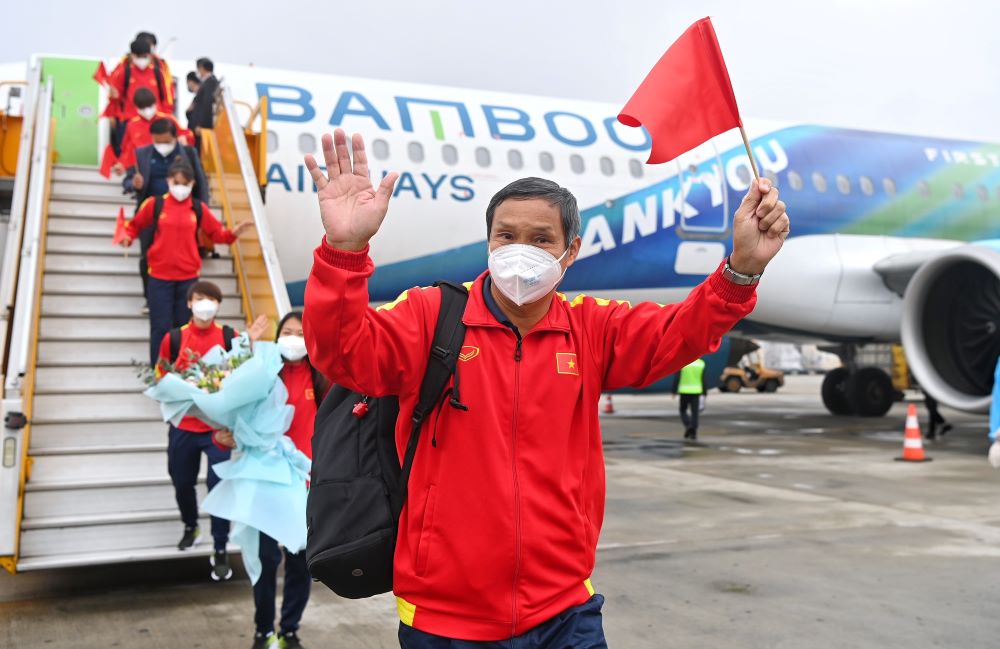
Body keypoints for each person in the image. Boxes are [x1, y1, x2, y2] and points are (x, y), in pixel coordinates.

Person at [301, 129, 789, 646]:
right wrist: (344, 251)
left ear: (570, 251)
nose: (519, 251)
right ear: (487, 241)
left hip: (564, 611)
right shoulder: (429, 316)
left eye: (540, 239)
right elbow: (342, 353)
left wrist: (742, 269)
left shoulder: (591, 328)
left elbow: (682, 332)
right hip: (446, 620)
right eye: (505, 236)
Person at [216, 312, 329, 649]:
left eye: (300, 333)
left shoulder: (321, 377)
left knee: (300, 561)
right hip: (266, 479)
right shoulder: (263, 374)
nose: (293, 339)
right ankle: (263, 629)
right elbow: (237, 413)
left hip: (305, 481)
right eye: (287, 332)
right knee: (265, 560)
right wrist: (227, 435)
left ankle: (289, 629)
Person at [153, 280, 269, 580]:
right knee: (181, 481)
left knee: (218, 487)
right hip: (184, 427)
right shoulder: (174, 338)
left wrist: (249, 343)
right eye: (200, 299)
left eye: (212, 299)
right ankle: (190, 524)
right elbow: (160, 376)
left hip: (217, 430)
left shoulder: (229, 336)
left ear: (218, 305)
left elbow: (242, 375)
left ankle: (219, 547)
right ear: (189, 304)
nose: (206, 304)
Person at [119, 159, 254, 365]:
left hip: (188, 279)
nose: (180, 186)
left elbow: (218, 235)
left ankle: (184, 369)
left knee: (185, 327)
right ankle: (159, 371)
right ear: (168, 181)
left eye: (185, 183)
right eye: (176, 181)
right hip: (159, 277)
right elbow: (134, 226)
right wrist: (126, 237)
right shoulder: (155, 204)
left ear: (192, 184)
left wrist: (234, 233)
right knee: (159, 327)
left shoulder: (198, 208)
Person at [123, 118, 208, 309]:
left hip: (183, 213)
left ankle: (182, 299)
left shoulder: (188, 153)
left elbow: (201, 183)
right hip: (151, 213)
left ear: (174, 138)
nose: (161, 145)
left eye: (165, 141)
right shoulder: (142, 154)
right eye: (157, 141)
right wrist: (134, 184)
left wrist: (202, 212)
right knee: (147, 257)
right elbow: (127, 181)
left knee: (184, 256)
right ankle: (150, 298)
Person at [112, 88, 191, 173]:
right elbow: (127, 150)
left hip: (168, 164)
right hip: (143, 168)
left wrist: (184, 138)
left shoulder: (168, 119)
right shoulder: (132, 125)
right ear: (136, 107)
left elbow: (187, 135)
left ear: (155, 103)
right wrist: (122, 165)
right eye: (143, 107)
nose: (147, 110)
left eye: (149, 106)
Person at [107, 38, 174, 123]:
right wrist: (113, 114)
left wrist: (166, 116)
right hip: (130, 119)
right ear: (132, 55)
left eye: (145, 56)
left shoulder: (158, 73)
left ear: (150, 55)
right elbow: (114, 99)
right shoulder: (124, 73)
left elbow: (167, 97)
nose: (142, 59)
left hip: (155, 120)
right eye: (139, 56)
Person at [673, 357, 708, 440]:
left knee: (682, 410)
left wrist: (674, 390)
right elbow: (704, 379)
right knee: (695, 412)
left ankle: (688, 426)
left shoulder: (682, 362)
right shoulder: (701, 363)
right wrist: (704, 393)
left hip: (684, 391)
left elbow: (677, 377)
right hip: (696, 391)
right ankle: (693, 430)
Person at [189, 58, 219, 147]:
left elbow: (207, 104)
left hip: (202, 127)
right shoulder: (206, 82)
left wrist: (201, 124)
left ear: (202, 68)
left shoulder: (211, 83)